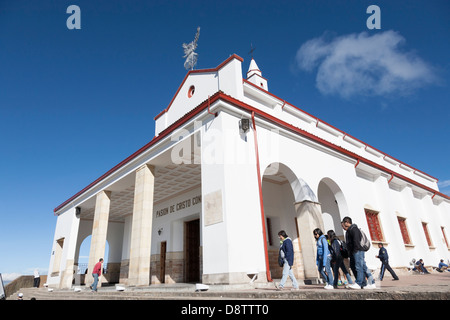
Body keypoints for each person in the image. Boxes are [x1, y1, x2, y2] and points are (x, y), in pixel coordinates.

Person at [341, 216, 375, 289]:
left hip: (358, 251)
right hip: (354, 252)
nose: (342, 227)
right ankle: (366, 283)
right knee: (362, 267)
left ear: (346, 222)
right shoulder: (349, 231)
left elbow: (356, 242)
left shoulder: (354, 229)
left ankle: (359, 283)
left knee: (359, 266)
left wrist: (355, 251)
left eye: (343, 225)